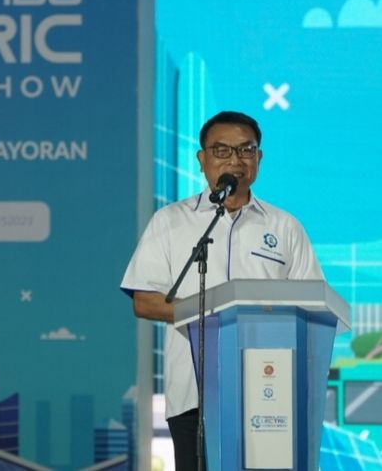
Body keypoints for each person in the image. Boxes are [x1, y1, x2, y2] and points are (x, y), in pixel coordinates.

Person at [120, 111, 323, 471]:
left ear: (259, 158)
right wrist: (213, 315)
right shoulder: (171, 221)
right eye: (222, 150)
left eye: (246, 150)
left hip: (269, 393)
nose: (235, 160)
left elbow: (313, 305)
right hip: (194, 394)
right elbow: (145, 301)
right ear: (202, 159)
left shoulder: (285, 227)